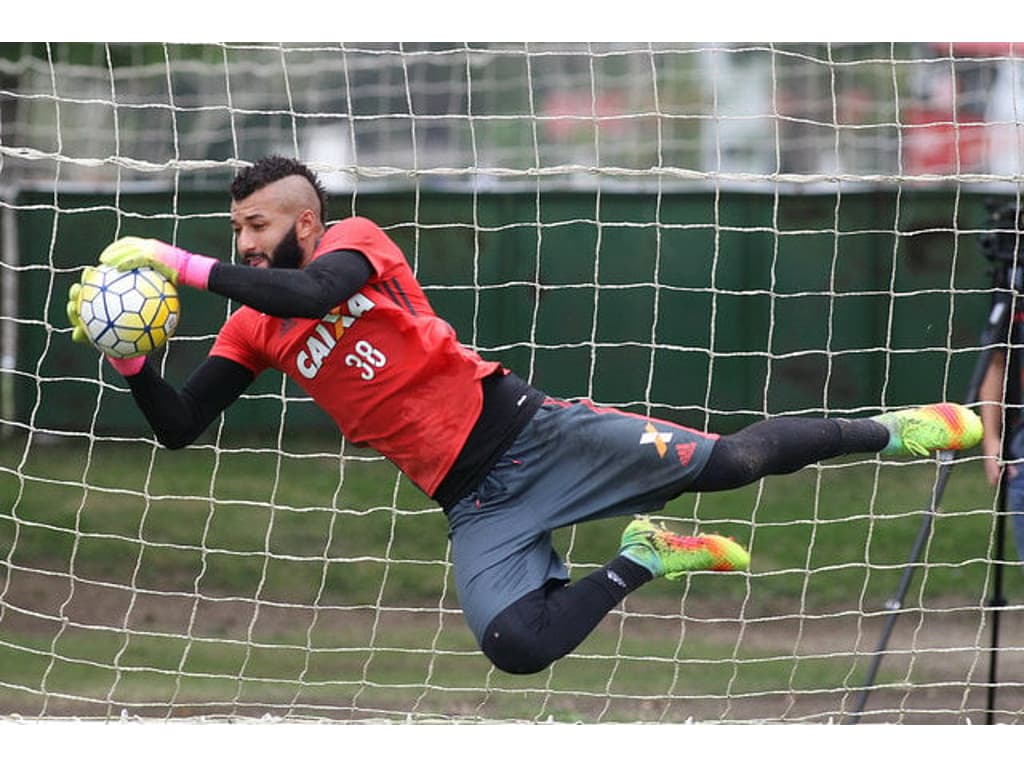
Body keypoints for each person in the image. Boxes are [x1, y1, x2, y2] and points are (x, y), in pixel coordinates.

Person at [65, 156, 984, 675]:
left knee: (738, 465)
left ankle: (895, 429)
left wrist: (170, 259)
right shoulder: (251, 324)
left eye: (257, 226)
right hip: (472, 500)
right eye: (234, 232)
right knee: (515, 646)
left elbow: (315, 292)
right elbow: (180, 425)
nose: (245, 244)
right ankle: (643, 557)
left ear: (304, 221)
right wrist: (137, 361)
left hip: (532, 433)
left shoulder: (353, 244)